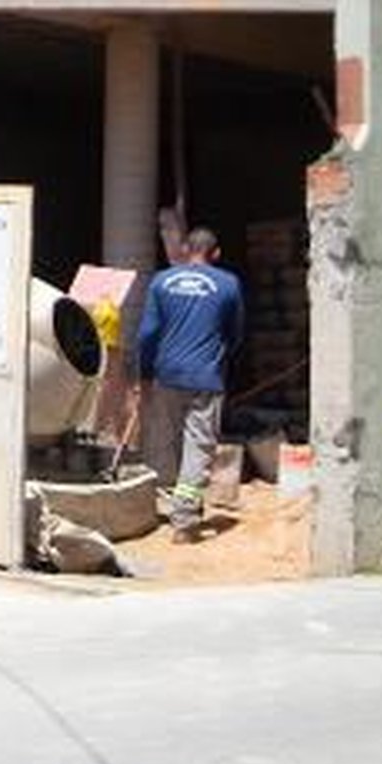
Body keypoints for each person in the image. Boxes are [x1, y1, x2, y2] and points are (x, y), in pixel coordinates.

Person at [130, 225, 244, 534]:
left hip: (167, 375)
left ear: (184, 250)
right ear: (216, 253)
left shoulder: (161, 282)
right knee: (199, 446)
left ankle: (176, 503)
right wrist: (221, 357)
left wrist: (144, 374)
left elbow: (148, 334)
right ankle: (184, 518)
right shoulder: (228, 284)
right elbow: (235, 333)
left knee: (175, 441)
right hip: (206, 377)